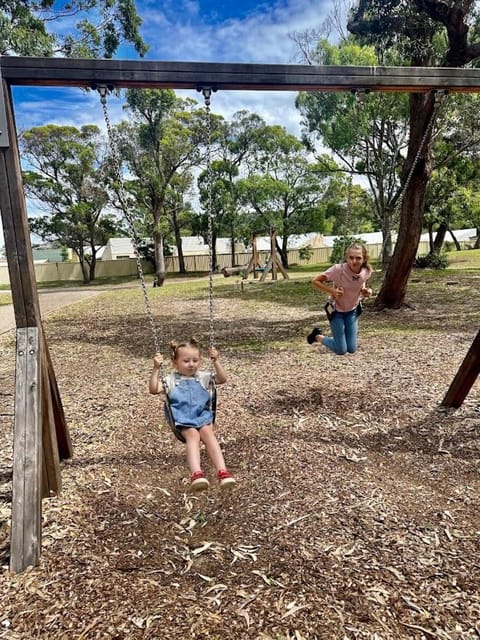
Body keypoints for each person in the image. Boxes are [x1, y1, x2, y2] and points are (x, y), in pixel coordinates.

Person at [149, 338, 236, 492]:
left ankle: (223, 472)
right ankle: (197, 474)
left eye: (195, 360)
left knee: (208, 433)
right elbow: (154, 389)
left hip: (202, 416)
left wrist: (216, 361)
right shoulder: (170, 380)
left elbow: (223, 379)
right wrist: (156, 368)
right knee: (193, 436)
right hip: (183, 419)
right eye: (186, 361)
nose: (191, 364)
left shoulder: (202, 377)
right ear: (175, 362)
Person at [307, 242, 373, 355]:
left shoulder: (366, 271)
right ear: (346, 257)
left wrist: (366, 291)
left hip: (352, 310)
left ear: (364, 258)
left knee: (351, 349)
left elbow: (361, 283)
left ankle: (336, 341)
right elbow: (315, 281)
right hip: (336, 311)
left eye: (358, 258)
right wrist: (333, 291)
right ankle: (317, 336)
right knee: (341, 350)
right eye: (351, 258)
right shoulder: (338, 270)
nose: (354, 261)